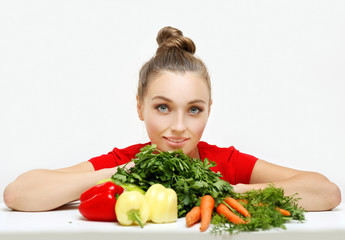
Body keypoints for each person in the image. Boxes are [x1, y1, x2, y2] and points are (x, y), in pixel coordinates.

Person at [3, 26, 341, 212]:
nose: (179, 126)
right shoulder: (125, 162)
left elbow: (325, 193)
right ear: (140, 107)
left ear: (209, 109)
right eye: (163, 107)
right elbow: (19, 195)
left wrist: (228, 192)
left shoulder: (223, 165)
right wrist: (118, 173)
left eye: (194, 109)